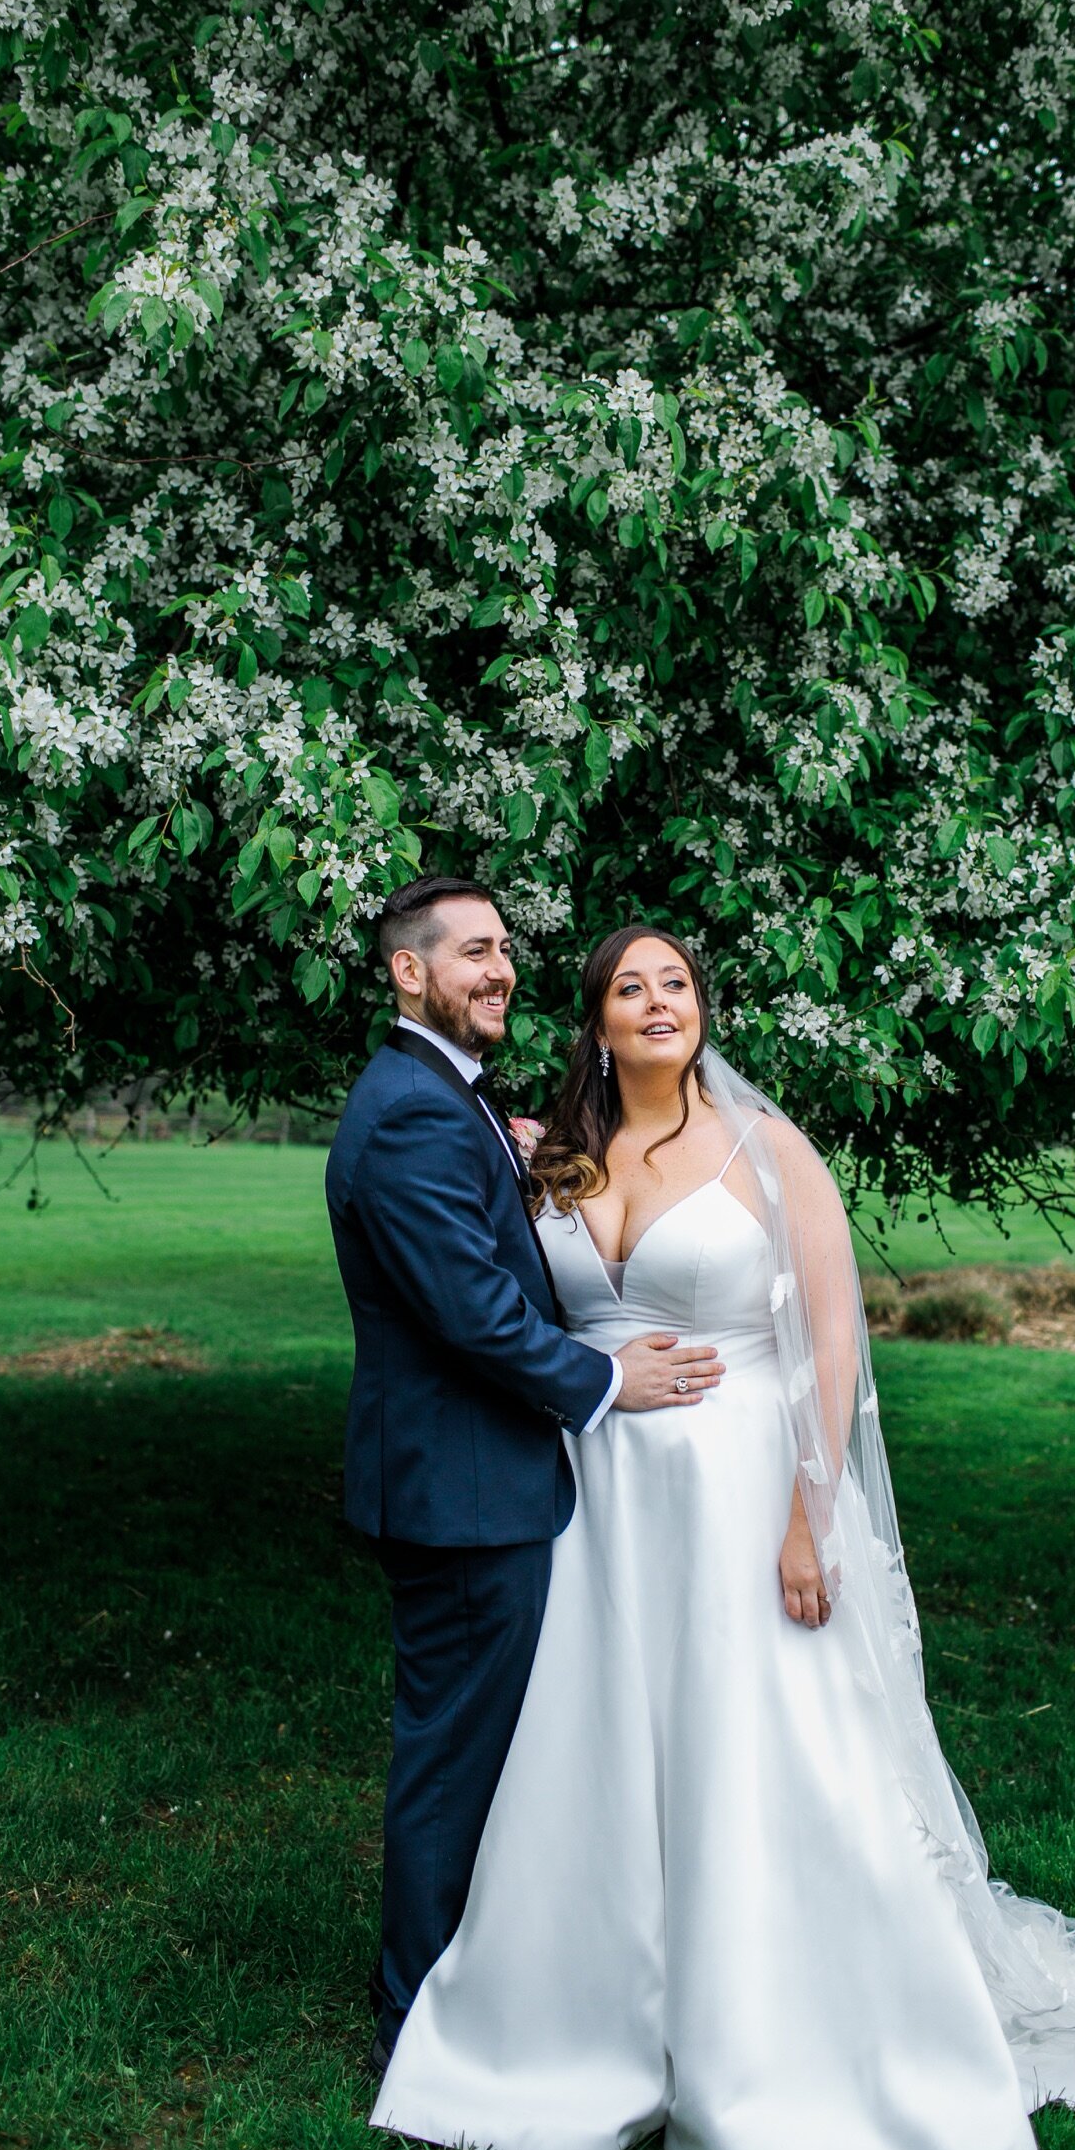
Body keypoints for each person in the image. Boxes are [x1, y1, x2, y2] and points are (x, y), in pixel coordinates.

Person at [371, 922, 1075, 2150]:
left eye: (676, 982)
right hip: (605, 1512)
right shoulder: (561, 1157)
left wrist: (809, 1514)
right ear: (601, 1021)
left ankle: (780, 2026)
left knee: (757, 1755)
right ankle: (587, 2015)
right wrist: (523, 1153)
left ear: (701, 1010)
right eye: (630, 987)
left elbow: (831, 1347)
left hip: (742, 1499)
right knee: (609, 1758)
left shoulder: (767, 1147)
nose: (657, 1001)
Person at [325, 882, 725, 2078]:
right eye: (473, 953)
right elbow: (475, 1315)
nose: (500, 970)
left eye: (506, 950)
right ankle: (420, 2024)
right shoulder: (409, 1114)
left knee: (487, 1752)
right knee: (453, 1762)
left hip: (480, 1480)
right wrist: (607, 1383)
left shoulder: (447, 1101)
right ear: (409, 973)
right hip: (458, 1490)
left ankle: (484, 1985)